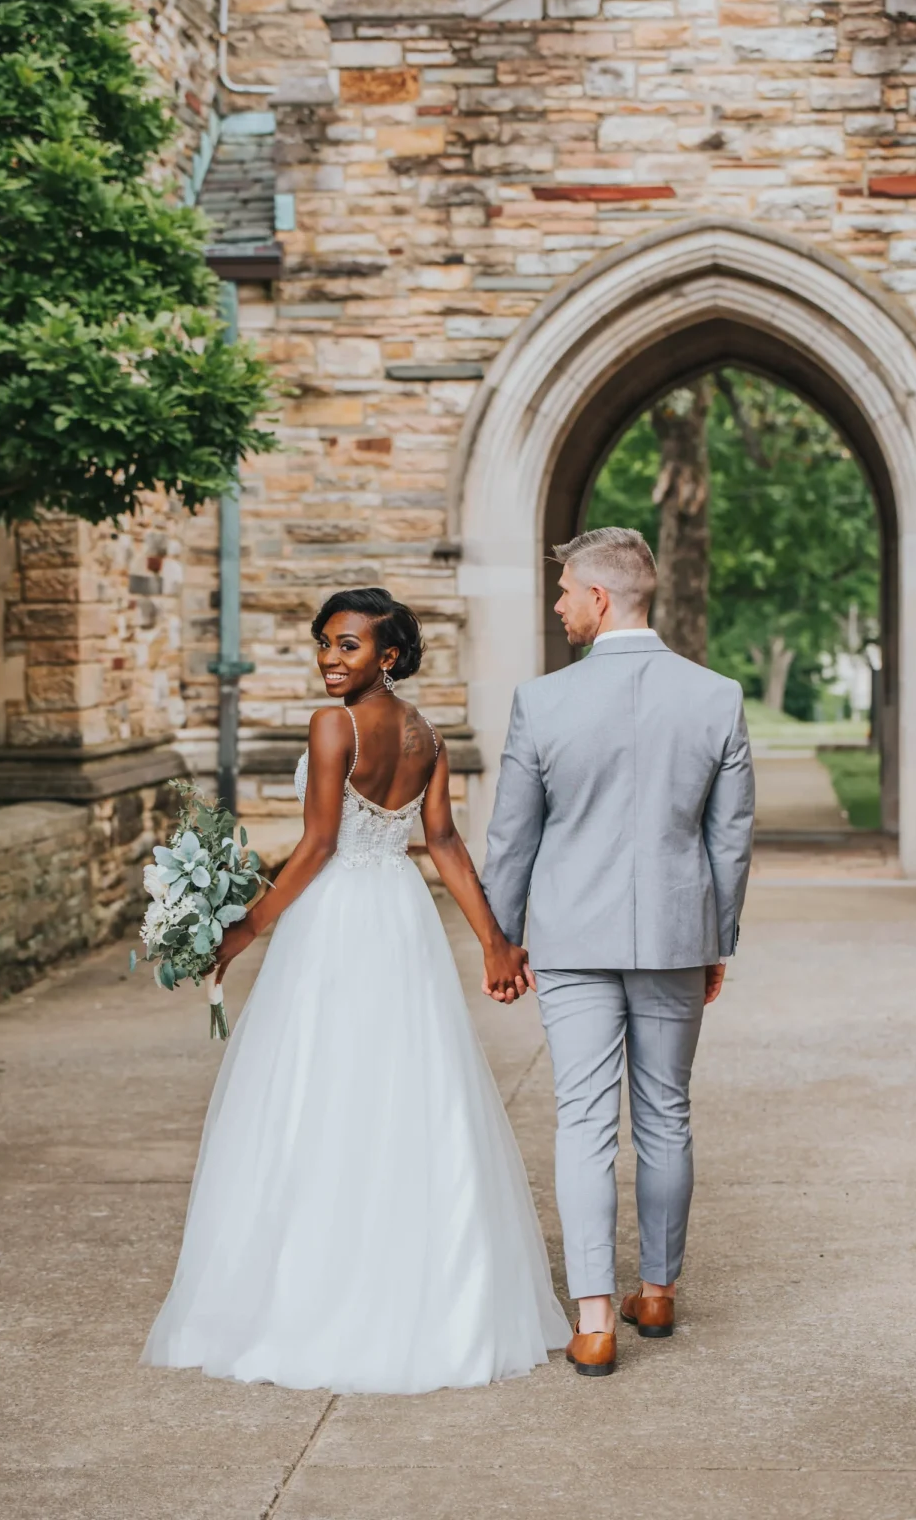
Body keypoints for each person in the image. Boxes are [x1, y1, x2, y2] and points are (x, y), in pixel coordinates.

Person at [142, 587, 570, 1394]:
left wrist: (240, 933)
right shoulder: (427, 735)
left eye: (348, 646)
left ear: (391, 656)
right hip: (399, 916)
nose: (330, 660)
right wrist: (493, 944)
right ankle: (421, 1289)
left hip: (336, 914)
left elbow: (316, 846)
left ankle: (314, 1294)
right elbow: (439, 841)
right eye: (325, 645)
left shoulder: (332, 725)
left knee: (317, 1085)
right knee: (401, 1086)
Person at [482, 528, 755, 1378]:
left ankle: (594, 1320)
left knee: (583, 1121)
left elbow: (511, 838)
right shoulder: (716, 697)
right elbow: (731, 842)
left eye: (565, 590)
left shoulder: (542, 701)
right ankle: (659, 1291)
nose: (558, 604)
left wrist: (502, 936)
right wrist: (718, 940)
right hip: (676, 931)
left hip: (571, 936)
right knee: (666, 1113)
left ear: (600, 598)